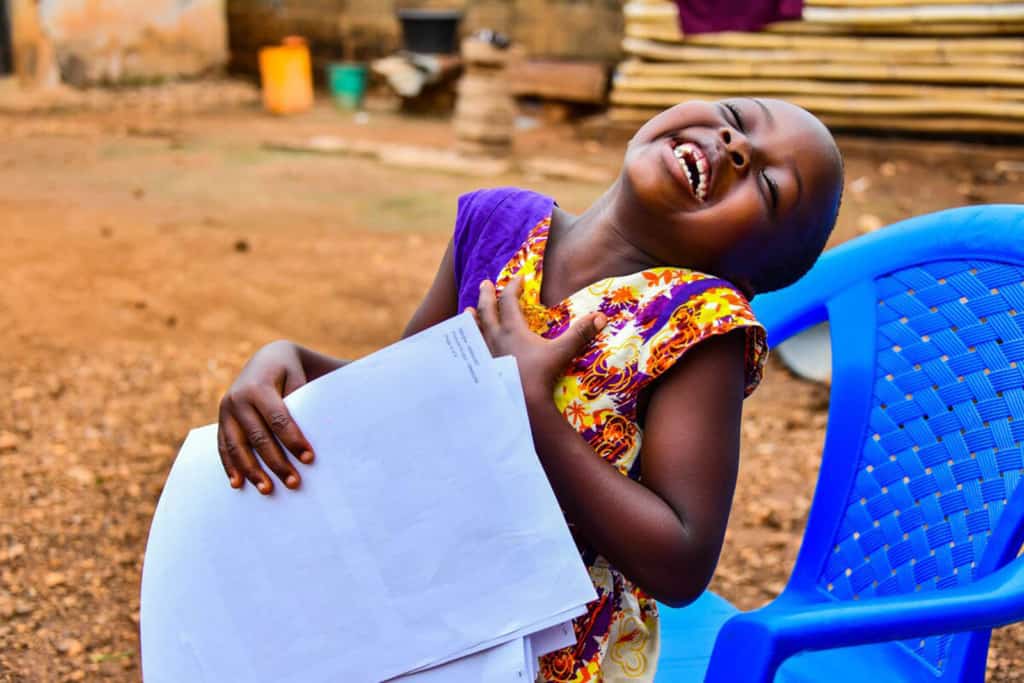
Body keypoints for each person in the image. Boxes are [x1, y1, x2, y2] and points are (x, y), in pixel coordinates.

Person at [215, 98, 844, 682]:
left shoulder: (699, 326)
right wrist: (286, 361)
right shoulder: (497, 225)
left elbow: (681, 562)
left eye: (766, 185)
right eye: (737, 115)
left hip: (546, 654)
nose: (736, 145)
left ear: (749, 276)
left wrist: (531, 408)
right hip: (414, 604)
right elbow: (400, 399)